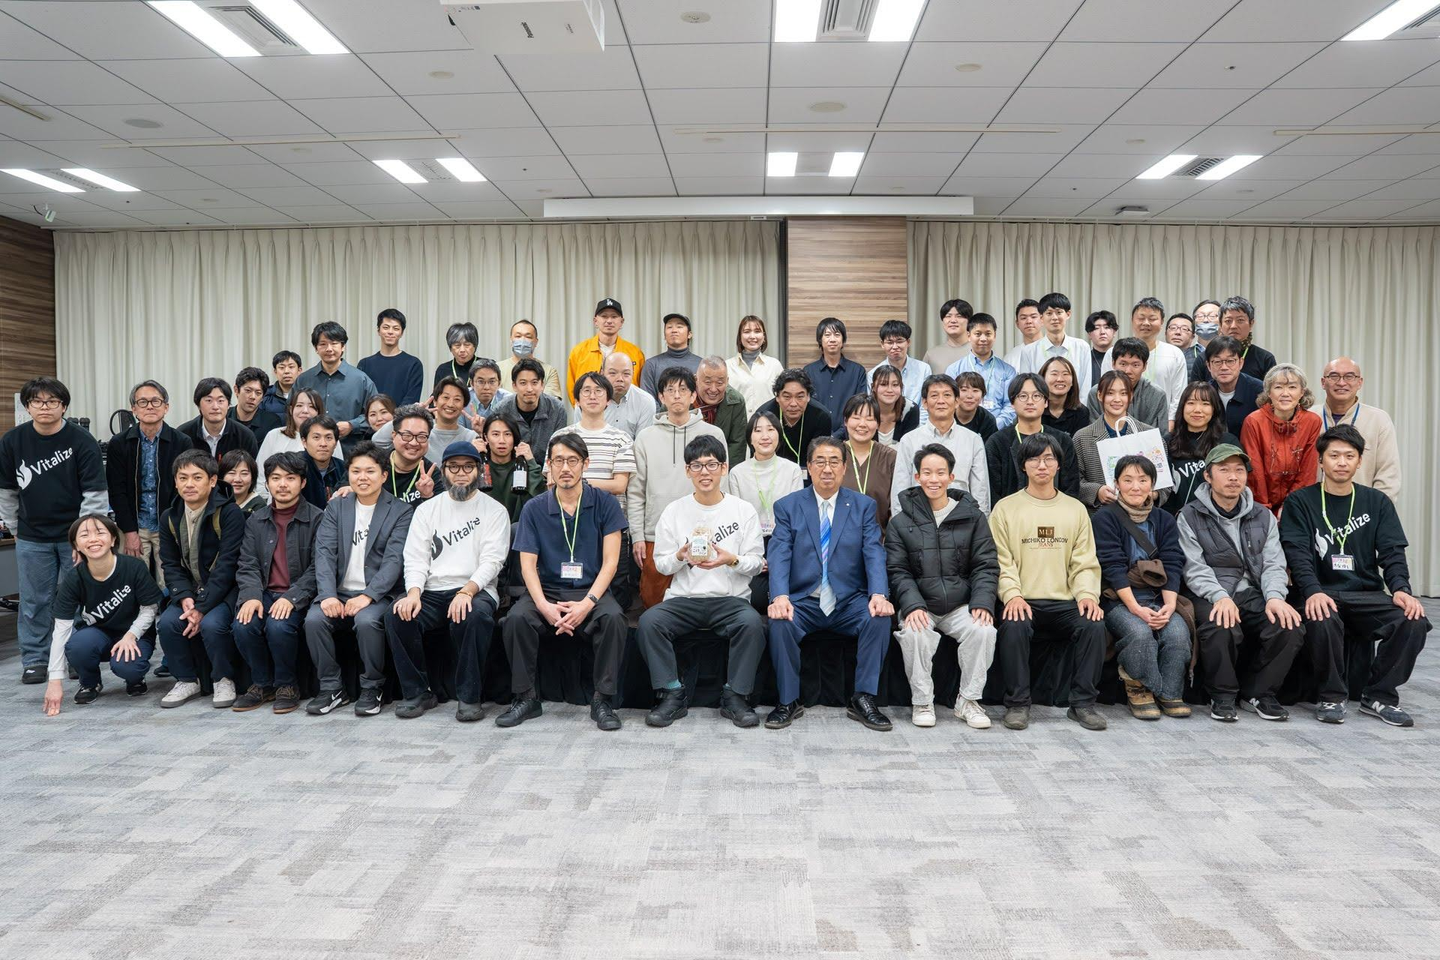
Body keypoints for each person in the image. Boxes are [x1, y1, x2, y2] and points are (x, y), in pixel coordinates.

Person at [1279, 425, 1429, 727]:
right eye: (1334, 455)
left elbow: (1392, 552)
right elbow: (1297, 555)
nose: (1342, 462)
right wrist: (1312, 590)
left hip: (1365, 594)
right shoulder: (1300, 501)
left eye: (1349, 456)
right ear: (1321, 460)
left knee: (1412, 620)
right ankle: (1331, 695)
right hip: (1321, 591)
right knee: (1321, 615)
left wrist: (1401, 588)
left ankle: (1380, 695)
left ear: (1360, 461)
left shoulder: (1377, 502)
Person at [499, 433, 630, 731]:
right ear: (549, 465)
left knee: (613, 619)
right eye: (558, 461)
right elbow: (527, 565)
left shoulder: (605, 503)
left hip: (591, 590)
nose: (566, 468)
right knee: (517, 618)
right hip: (546, 591)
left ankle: (603, 700)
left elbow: (611, 562)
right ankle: (526, 698)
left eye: (573, 460)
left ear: (586, 464)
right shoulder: (534, 508)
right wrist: (543, 606)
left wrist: (587, 604)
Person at [636, 435, 767, 728]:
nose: (704, 472)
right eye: (696, 465)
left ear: (724, 468)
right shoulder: (674, 511)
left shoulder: (742, 510)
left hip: (730, 600)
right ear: (687, 471)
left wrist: (730, 559)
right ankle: (672, 692)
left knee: (752, 624)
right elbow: (661, 564)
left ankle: (735, 696)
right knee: (649, 622)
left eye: (711, 464)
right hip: (684, 599)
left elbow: (757, 564)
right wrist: (681, 556)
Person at [765, 437, 894, 732]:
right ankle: (788, 701)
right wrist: (780, 596)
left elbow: (873, 551)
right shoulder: (788, 506)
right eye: (820, 461)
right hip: (805, 600)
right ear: (808, 467)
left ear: (844, 467)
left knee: (879, 617)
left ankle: (864, 698)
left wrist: (878, 593)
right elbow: (780, 553)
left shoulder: (862, 505)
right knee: (780, 622)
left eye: (834, 461)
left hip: (848, 600)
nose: (827, 468)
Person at [989, 432, 1107, 731]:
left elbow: (1084, 560)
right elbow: (1001, 560)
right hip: (1024, 598)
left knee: (1094, 624)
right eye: (1034, 459)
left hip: (1065, 602)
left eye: (1048, 459)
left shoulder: (1075, 509)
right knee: (1013, 625)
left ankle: (1082, 704)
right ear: (1023, 466)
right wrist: (1012, 595)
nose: (1042, 465)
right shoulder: (1005, 508)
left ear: (1058, 465)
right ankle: (1017, 704)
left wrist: (1087, 595)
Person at [1176, 444, 1303, 722]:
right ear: (1207, 476)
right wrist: (1220, 596)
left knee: (1288, 625)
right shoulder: (1189, 515)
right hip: (1208, 592)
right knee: (1221, 624)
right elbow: (1194, 568)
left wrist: (1275, 597)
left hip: (1252, 592)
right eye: (1224, 470)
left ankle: (1259, 693)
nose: (1233, 477)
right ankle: (1221, 695)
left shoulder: (1262, 516)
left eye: (1239, 470)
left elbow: (1273, 563)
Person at [386, 441, 509, 721]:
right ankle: (418, 692)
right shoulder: (427, 510)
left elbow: (493, 561)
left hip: (476, 589)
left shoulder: (495, 510)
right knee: (397, 614)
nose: (461, 473)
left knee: (473, 616)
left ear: (479, 470)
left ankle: (469, 696)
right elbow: (415, 558)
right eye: (454, 467)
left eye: (468, 467)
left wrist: (467, 591)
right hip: (431, 590)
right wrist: (413, 593)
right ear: (444, 471)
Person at [0, 377, 108, 684]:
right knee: (34, 601)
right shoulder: (13, 441)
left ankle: (76, 654)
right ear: (28, 406)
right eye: (37, 401)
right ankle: (35, 659)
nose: (45, 407)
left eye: (52, 401)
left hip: (73, 537)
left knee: (77, 599)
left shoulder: (81, 440)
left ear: (64, 406)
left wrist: (84, 538)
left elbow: (95, 494)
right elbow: (6, 491)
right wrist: (14, 527)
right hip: (32, 537)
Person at [886, 444, 998, 730]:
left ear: (951, 476)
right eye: (927, 473)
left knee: (984, 631)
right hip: (922, 604)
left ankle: (968, 700)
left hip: (960, 604)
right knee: (914, 633)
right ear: (917, 477)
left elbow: (986, 565)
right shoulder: (900, 522)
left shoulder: (973, 518)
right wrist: (912, 605)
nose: (933, 479)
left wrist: (982, 602)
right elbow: (898, 571)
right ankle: (922, 701)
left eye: (940, 473)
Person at [304, 442, 412, 717]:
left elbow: (394, 561)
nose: (362, 477)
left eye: (370, 471)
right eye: (356, 471)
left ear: (384, 475)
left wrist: (368, 596)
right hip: (338, 591)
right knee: (314, 620)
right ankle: (331, 688)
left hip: (378, 593)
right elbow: (324, 553)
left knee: (366, 621)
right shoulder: (336, 507)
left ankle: (373, 687)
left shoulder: (400, 511)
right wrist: (328, 595)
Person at [1093, 455, 1190, 721]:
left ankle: (1170, 693)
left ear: (1153, 485)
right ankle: (1139, 688)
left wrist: (1169, 606)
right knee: (1139, 632)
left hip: (1159, 595)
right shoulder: (1105, 518)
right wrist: (1136, 608)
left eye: (1143, 480)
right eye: (1127, 480)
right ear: (1116, 484)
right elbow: (1112, 566)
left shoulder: (1164, 519)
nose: (1135, 487)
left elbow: (1172, 562)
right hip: (1119, 598)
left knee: (1178, 633)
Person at [230, 451, 322, 715]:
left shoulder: (317, 518)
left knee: (278, 626)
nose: (283, 484)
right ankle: (262, 683)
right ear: (267, 483)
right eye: (276, 478)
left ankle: (286, 685)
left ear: (302, 482)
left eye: (290, 478)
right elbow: (247, 563)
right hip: (263, 592)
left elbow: (319, 567)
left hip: (298, 594)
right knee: (243, 625)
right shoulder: (256, 520)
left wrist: (292, 597)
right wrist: (251, 595)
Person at [42, 514, 162, 715]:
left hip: (134, 635)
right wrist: (54, 681)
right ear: (76, 545)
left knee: (129, 666)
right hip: (97, 635)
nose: (93, 539)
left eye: (100, 533)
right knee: (78, 646)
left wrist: (130, 635)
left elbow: (149, 608)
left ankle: (134, 679)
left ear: (113, 539)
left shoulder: (133, 566)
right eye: (84, 535)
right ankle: (90, 683)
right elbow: (61, 629)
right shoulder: (74, 578)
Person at [156, 450, 247, 709]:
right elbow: (170, 564)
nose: (189, 484)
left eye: (197, 477)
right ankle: (187, 679)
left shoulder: (229, 513)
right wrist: (184, 596)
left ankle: (223, 678)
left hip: (226, 590)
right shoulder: (169, 516)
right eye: (183, 478)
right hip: (191, 591)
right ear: (175, 482)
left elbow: (228, 564)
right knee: (168, 623)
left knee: (213, 624)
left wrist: (202, 607)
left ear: (213, 481)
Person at [629, 368, 727, 608]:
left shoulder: (713, 434)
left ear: (693, 396)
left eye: (683, 390)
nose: (676, 395)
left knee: (704, 602)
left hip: (704, 532)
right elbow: (636, 491)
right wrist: (638, 536)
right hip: (655, 534)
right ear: (660, 397)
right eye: (670, 390)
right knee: (654, 603)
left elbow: (723, 486)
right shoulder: (645, 437)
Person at [106, 380, 193, 590]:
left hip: (170, 525)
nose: (150, 407)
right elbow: (116, 491)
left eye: (156, 401)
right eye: (143, 402)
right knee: (134, 584)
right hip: (134, 524)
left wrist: (174, 526)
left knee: (171, 583)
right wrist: (129, 531)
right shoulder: (119, 443)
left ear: (166, 407)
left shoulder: (182, 442)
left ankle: (168, 612)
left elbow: (186, 488)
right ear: (134, 409)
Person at [724, 411, 805, 614]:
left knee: (793, 596)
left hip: (784, 542)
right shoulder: (737, 473)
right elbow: (736, 520)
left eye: (770, 429)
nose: (765, 436)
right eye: (758, 430)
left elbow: (797, 518)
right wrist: (754, 556)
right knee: (757, 599)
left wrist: (780, 555)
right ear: (750, 438)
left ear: (779, 434)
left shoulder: (792, 470)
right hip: (751, 545)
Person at [891, 374, 991, 520]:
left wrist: (980, 524)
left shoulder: (973, 440)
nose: (941, 401)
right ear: (924, 402)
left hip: (962, 521)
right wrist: (903, 526)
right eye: (934, 395)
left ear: (957, 401)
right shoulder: (909, 440)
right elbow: (900, 489)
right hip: (919, 521)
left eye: (947, 395)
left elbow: (980, 491)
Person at [985, 373, 1082, 502]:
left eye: (1036, 396)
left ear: (1046, 402)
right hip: (1011, 512)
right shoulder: (997, 442)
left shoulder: (1062, 440)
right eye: (1023, 396)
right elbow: (993, 492)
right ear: (1012, 403)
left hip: (1055, 511)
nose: (1030, 402)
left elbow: (1071, 488)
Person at [1314, 357, 1400, 502]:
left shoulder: (1379, 420)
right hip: (1313, 508)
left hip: (1363, 509)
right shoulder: (1308, 417)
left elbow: (1388, 475)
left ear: (1360, 382)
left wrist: (1375, 510)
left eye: (1349, 376)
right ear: (1323, 382)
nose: (1341, 383)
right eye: (1334, 376)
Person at [1241, 363, 1321, 515]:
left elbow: (1308, 471)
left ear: (1302, 392)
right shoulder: (1253, 421)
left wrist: (1291, 506)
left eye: (1292, 387)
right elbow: (1255, 473)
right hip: (1259, 505)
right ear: (1269, 393)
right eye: (1278, 387)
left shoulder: (1312, 422)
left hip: (1298, 503)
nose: (1285, 393)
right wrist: (1264, 510)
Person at [1073, 371, 1160, 511]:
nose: (1117, 399)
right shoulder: (1082, 437)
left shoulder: (1148, 434)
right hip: (1100, 514)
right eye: (1110, 393)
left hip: (1142, 513)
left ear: (1131, 396)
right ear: (1099, 395)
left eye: (1123, 393)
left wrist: (1153, 494)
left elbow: (1164, 481)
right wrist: (1097, 491)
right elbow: (1074, 481)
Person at [548, 374, 634, 502]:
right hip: (566, 510)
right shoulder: (559, 437)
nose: (592, 396)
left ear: (608, 400)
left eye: (598, 391)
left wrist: (575, 482)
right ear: (577, 400)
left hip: (609, 512)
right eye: (586, 391)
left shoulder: (622, 439)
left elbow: (619, 486)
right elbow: (552, 483)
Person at [1101, 298, 1187, 425]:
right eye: (1141, 318)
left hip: (1160, 422)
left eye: (1152, 319)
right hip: (1117, 422)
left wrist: (1170, 423)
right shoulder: (1113, 353)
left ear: (1162, 322)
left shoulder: (1175, 354)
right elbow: (1106, 388)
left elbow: (1178, 396)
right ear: (1132, 320)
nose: (1146, 323)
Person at [296, 321, 379, 448]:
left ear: (343, 346)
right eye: (323, 344)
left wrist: (352, 425)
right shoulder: (303, 379)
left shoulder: (361, 380)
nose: (329, 349)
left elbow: (377, 415)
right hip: (309, 449)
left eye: (334, 343)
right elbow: (292, 412)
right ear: (316, 348)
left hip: (349, 449)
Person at [1163, 382, 1237, 516]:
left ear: (1214, 409)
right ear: (1182, 407)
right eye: (1191, 403)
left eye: (1205, 404)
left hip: (1217, 518)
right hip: (1173, 518)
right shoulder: (1167, 442)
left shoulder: (1228, 442)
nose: (1197, 409)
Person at [1008, 292, 1093, 399]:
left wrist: (1080, 408)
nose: (1054, 318)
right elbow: (1028, 388)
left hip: (1075, 407)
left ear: (1068, 314)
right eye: (1049, 313)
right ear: (1041, 318)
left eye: (1059, 312)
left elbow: (1085, 389)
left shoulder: (1082, 347)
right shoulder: (1029, 351)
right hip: (1041, 407)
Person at [373, 377, 477, 462]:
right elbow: (378, 441)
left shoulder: (471, 437)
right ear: (435, 401)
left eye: (457, 399)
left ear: (464, 405)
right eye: (446, 397)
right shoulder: (419, 433)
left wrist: (480, 433)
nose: (450, 404)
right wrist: (409, 415)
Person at [945, 313, 1016, 429]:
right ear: (969, 335)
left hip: (997, 430)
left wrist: (992, 425)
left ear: (994, 335)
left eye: (988, 334)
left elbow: (1011, 405)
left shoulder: (1008, 371)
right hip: (962, 429)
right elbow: (949, 401)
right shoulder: (954, 369)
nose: (983, 339)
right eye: (978, 334)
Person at [837, 395, 897, 531]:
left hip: (879, 538)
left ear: (878, 424)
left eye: (869, 419)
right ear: (846, 421)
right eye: (856, 418)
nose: (862, 424)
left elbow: (895, 506)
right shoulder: (834, 455)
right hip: (837, 539)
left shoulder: (890, 457)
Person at [567, 298, 646, 400]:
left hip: (626, 408)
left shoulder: (635, 353)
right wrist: (582, 407)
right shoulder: (579, 351)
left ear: (621, 322)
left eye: (614, 316)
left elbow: (640, 389)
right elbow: (572, 387)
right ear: (595, 321)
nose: (609, 321)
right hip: (590, 407)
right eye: (604, 316)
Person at [494, 358, 569, 461]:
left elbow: (560, 451)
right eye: (523, 383)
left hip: (547, 468)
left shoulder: (557, 410)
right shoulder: (501, 410)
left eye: (534, 383)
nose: (529, 389)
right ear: (514, 386)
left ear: (542, 385)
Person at [1188, 296, 1275, 383]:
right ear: (1220, 324)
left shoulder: (1264, 358)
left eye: (1240, 320)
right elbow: (1195, 391)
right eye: (1228, 321)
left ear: (1251, 324)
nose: (1233, 326)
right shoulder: (1204, 358)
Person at [1087, 338, 1168, 429]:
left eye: (1135, 365)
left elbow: (1160, 433)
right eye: (1123, 364)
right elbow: (1093, 431)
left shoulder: (1157, 395)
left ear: (1145, 366)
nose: (1128, 371)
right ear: (1113, 363)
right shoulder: (1097, 392)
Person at [757, 369, 833, 465]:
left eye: (800, 397)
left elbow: (821, 457)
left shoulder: (821, 416)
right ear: (777, 397)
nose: (793, 404)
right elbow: (759, 456)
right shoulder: (764, 417)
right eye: (787, 397)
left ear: (808, 396)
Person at [801, 317, 867, 427]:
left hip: (849, 433)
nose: (832, 339)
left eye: (837, 335)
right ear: (820, 340)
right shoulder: (808, 372)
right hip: (817, 433)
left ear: (843, 340)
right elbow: (805, 406)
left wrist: (839, 433)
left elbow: (860, 407)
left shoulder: (857, 371)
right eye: (827, 335)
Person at [481, 413, 546, 522]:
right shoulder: (481, 466)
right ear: (486, 437)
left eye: (507, 434)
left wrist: (531, 461)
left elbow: (540, 497)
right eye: (495, 434)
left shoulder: (522, 465)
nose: (502, 440)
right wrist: (471, 456)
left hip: (519, 526)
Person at [356, 308, 425, 407]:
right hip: (372, 416)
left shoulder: (413, 364)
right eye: (386, 327)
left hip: (401, 416)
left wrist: (393, 416)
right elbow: (361, 399)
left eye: (396, 328)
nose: (390, 332)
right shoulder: (365, 364)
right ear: (378, 331)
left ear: (402, 333)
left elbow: (411, 399)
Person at [180, 378, 258, 460]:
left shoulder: (245, 436)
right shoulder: (184, 434)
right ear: (198, 405)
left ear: (228, 404)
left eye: (220, 401)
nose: (215, 407)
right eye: (209, 400)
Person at [1201, 335, 1264, 437]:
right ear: (1208, 366)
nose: (1224, 367)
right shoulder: (1205, 393)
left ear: (1241, 363)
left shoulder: (1259, 391)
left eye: (1230, 361)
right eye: (1217, 362)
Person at [692, 356, 749, 468]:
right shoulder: (681, 397)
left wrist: (726, 474)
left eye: (719, 383)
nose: (713, 389)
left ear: (727, 381)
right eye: (707, 382)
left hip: (721, 466)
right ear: (696, 380)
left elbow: (737, 445)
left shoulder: (736, 401)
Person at [255, 389, 332, 470]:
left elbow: (337, 471)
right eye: (299, 405)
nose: (305, 411)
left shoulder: (329, 437)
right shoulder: (274, 435)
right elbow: (260, 472)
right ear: (291, 410)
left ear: (319, 411)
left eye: (311, 406)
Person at [726, 315, 785, 419]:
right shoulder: (727, 366)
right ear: (740, 337)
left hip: (767, 425)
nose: (752, 336)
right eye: (747, 331)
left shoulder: (774, 365)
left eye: (757, 331)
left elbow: (783, 397)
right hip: (737, 426)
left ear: (764, 337)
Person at [384, 405, 442, 508]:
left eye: (421, 437)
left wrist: (427, 496)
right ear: (394, 435)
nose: (414, 443)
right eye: (407, 435)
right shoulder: (376, 463)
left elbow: (439, 514)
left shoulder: (433, 475)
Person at [868, 319, 932, 409]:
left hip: (917, 417)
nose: (895, 347)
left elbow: (926, 403)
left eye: (899, 341)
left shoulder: (923, 369)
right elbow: (873, 405)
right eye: (890, 342)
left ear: (908, 342)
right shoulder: (873, 374)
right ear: (882, 344)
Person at [639, 313, 704, 397]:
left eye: (679, 326)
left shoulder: (702, 365)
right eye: (669, 327)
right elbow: (647, 399)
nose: (674, 330)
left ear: (689, 334)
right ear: (664, 335)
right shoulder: (651, 365)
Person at [498, 319, 563, 401]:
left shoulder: (549, 371)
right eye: (518, 336)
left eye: (528, 337)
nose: (522, 340)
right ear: (511, 340)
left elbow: (551, 404)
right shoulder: (497, 369)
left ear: (536, 342)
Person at [602, 351, 656, 439]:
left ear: (633, 374)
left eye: (626, 374)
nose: (620, 379)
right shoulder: (589, 400)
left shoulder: (645, 401)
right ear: (602, 373)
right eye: (613, 373)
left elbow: (642, 443)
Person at [862, 364, 919, 447]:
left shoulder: (910, 409)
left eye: (895, 385)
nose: (890, 390)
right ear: (873, 387)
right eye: (883, 384)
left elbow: (909, 446)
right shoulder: (863, 409)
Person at [299, 415, 346, 510]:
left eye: (328, 438)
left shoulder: (344, 468)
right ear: (304, 442)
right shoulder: (293, 467)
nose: (323, 444)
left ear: (336, 443)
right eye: (316, 437)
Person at [1039, 356, 1090, 436]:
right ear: (1043, 378)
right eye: (1054, 374)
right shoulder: (1034, 409)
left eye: (1065, 374)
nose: (1060, 379)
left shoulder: (1081, 412)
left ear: (1072, 381)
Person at [231, 367, 283, 442]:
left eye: (258, 393)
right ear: (236, 390)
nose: (253, 397)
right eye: (248, 390)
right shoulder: (224, 418)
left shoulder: (271, 422)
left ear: (263, 397)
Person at [923, 298, 973, 374]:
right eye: (948, 316)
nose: (953, 320)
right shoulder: (932, 354)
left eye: (959, 316)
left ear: (969, 321)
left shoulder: (978, 351)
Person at [258, 349, 302, 422]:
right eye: (282, 368)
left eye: (291, 367)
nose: (286, 371)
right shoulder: (265, 395)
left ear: (299, 370)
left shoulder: (307, 395)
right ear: (275, 371)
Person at [954, 371, 998, 442]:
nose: (969, 396)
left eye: (975, 390)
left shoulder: (988, 420)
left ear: (983, 395)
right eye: (964, 390)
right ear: (955, 393)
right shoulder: (946, 415)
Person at [464, 358, 511, 425]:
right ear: (472, 383)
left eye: (492, 382)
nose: (486, 387)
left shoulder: (508, 401)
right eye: (481, 382)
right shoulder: (462, 398)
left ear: (499, 383)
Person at [221, 449, 266, 516]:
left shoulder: (259, 506)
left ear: (253, 478)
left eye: (244, 474)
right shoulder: (215, 500)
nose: (237, 479)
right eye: (232, 473)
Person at [435, 321, 480, 386]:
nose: (462, 350)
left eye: (467, 345)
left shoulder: (486, 366)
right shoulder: (443, 370)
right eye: (457, 345)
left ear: (475, 346)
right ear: (450, 348)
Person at [1002, 298, 1043, 369]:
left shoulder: (1055, 350)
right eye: (1023, 318)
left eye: (1033, 317)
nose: (1029, 321)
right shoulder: (1010, 358)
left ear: (1042, 320)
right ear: (1017, 324)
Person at [1083, 309, 1117, 386]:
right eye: (1096, 328)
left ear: (1114, 332)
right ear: (1089, 334)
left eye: (1107, 327)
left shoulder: (1121, 358)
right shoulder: (1085, 359)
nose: (1102, 332)